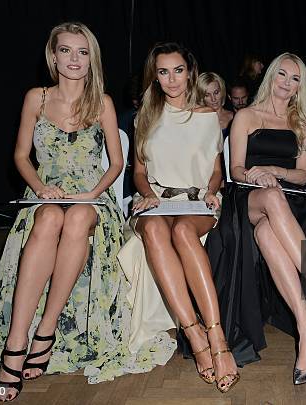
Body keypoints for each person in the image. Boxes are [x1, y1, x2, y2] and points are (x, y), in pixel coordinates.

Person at [0, 22, 175, 402]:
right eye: (66, 50)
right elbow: (21, 156)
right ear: (53, 56)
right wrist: (40, 189)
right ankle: (16, 341)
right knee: (51, 216)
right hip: (43, 194)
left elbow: (116, 165)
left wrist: (91, 193)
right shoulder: (36, 97)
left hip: (90, 196)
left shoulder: (100, 101)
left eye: (82, 52)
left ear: (92, 59)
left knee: (79, 217)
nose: (74, 59)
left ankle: (46, 329)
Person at [205, 52, 306, 385]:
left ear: (302, 85)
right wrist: (260, 176)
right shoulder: (246, 116)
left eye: (295, 78)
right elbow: (235, 170)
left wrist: (276, 170)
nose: (287, 83)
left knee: (269, 234)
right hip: (249, 196)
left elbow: (301, 176)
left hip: (292, 202)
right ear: (271, 75)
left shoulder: (303, 121)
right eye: (283, 74)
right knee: (270, 197)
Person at [118, 42, 239, 393]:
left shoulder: (207, 117)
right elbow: (139, 171)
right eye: (163, 72)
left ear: (191, 72)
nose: (171, 79)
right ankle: (195, 334)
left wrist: (213, 191)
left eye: (178, 70)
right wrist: (148, 194)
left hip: (196, 202)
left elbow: (217, 169)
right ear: (154, 76)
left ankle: (216, 335)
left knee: (185, 231)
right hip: (156, 201)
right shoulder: (146, 115)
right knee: (155, 229)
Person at [196, 72, 234, 138]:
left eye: (216, 93)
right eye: (207, 95)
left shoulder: (235, 117)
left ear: (222, 91)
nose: (213, 99)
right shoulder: (198, 121)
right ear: (201, 97)